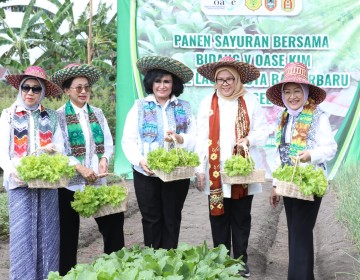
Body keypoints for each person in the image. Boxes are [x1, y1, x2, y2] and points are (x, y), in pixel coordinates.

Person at [195, 56, 268, 277]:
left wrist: (248, 140)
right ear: (215, 81)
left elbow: (263, 131)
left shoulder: (250, 100)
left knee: (241, 217)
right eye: (220, 79)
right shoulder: (207, 102)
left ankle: (240, 260)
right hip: (215, 172)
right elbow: (201, 136)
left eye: (229, 79)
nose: (225, 84)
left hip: (241, 171)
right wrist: (199, 168)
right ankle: (221, 260)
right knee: (218, 217)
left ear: (237, 80)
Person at [50, 64, 124, 275]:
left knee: (114, 224)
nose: (83, 92)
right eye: (78, 88)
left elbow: (107, 142)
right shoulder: (59, 116)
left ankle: (114, 271)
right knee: (67, 235)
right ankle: (66, 275)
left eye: (86, 87)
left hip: (98, 181)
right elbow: (57, 150)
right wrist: (79, 167)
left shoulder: (98, 113)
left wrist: (104, 158)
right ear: (67, 90)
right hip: (70, 185)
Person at [267, 62, 337, 280]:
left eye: (297, 91)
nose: (292, 96)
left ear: (306, 92)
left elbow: (330, 148)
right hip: (290, 184)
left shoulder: (318, 116)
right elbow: (280, 153)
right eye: (287, 91)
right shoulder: (285, 118)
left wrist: (310, 155)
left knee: (301, 232)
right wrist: (275, 185)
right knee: (296, 233)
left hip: (310, 183)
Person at [121, 55, 195, 250]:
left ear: (174, 84)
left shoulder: (184, 108)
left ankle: (170, 259)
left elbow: (194, 137)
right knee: (151, 218)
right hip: (146, 173)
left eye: (167, 81)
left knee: (172, 217)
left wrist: (180, 139)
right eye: (158, 81)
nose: (162, 86)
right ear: (150, 83)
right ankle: (153, 261)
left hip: (176, 174)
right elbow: (128, 140)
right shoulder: (139, 107)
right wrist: (139, 161)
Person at [0, 66, 64, 280]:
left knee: (48, 235)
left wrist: (53, 159)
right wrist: (12, 171)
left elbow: (60, 149)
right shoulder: (8, 115)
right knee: (22, 236)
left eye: (36, 89)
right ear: (19, 89)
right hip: (19, 184)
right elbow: (2, 152)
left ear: (43, 92)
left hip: (47, 184)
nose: (30, 92)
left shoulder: (52, 117)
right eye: (26, 87)